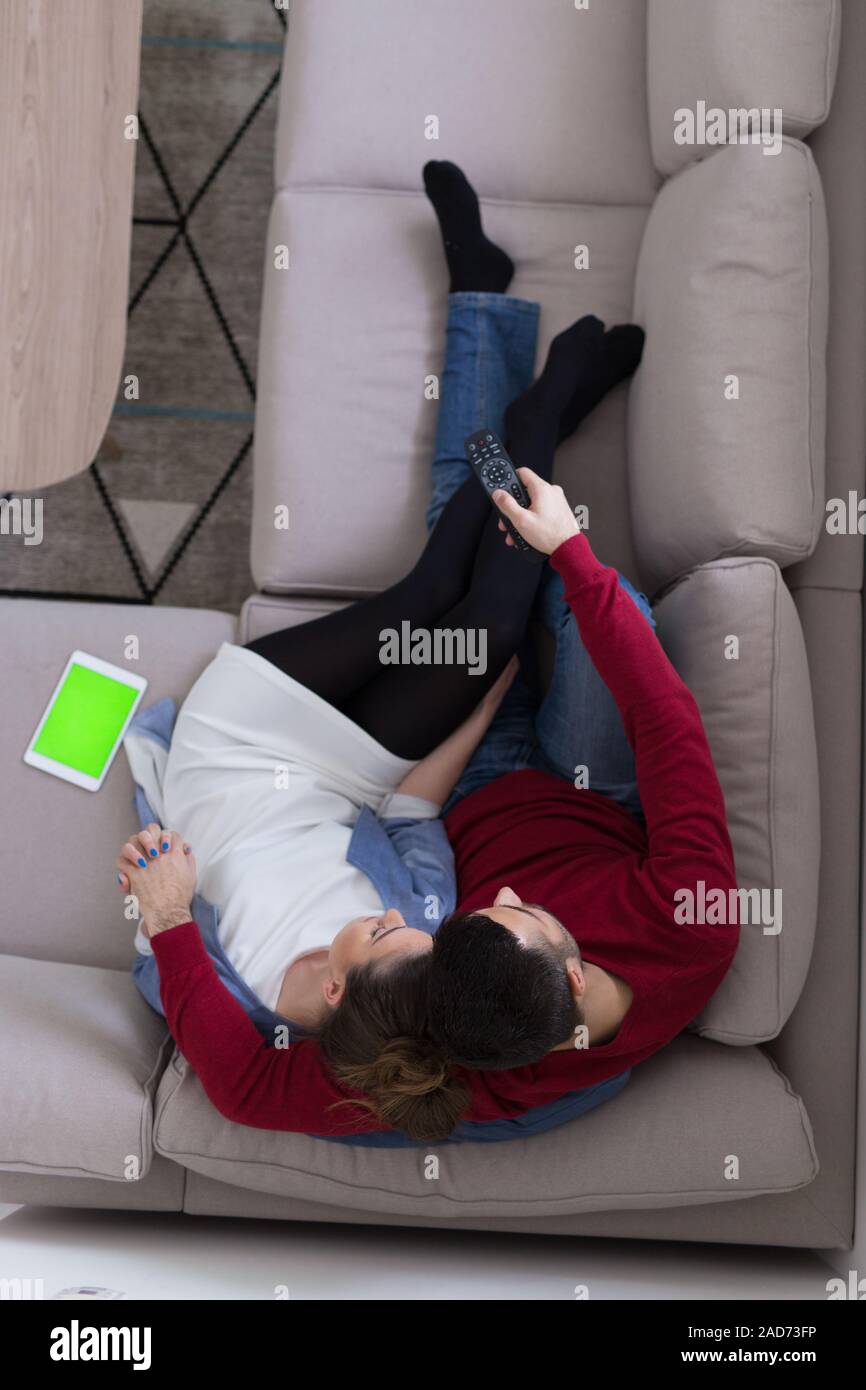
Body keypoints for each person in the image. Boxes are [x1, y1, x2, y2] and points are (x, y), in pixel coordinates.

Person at [120, 163, 644, 1143]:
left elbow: (173, 974)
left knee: (429, 593)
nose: (414, 921)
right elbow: (407, 806)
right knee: (465, 616)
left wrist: (166, 901)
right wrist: (484, 693)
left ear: (331, 982)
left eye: (381, 930)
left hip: (231, 748)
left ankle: (536, 413)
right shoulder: (437, 949)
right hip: (346, 778)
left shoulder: (258, 1021)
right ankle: (536, 418)